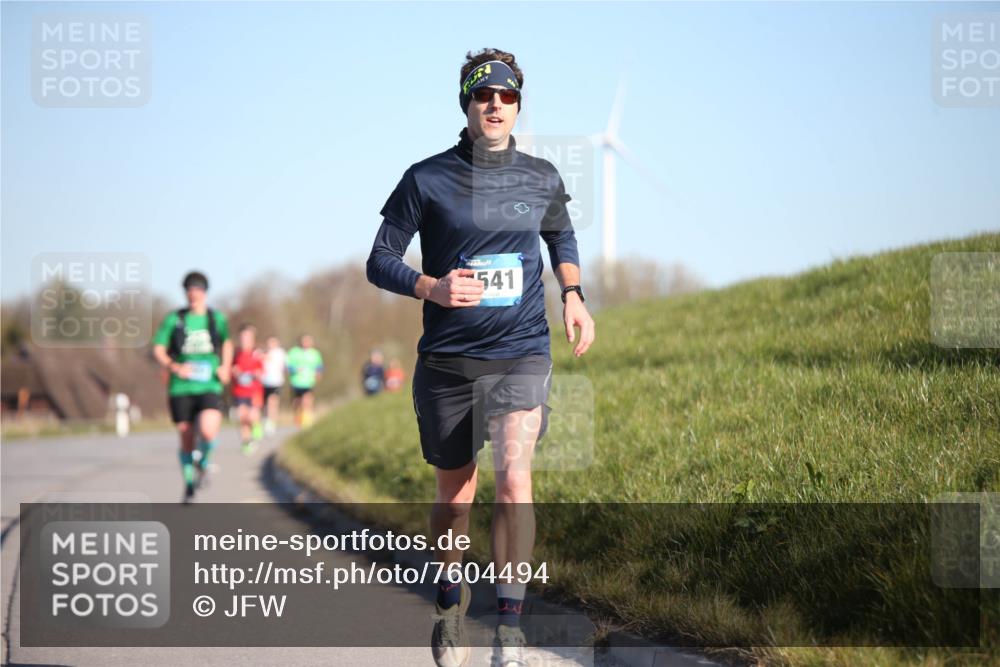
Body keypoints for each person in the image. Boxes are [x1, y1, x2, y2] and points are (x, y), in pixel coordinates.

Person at [366, 48, 595, 667]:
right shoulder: (426, 177)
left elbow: (561, 236)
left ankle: (511, 624)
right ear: (467, 104)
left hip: (521, 349)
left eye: (506, 96)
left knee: (515, 476)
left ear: (518, 105)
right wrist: (430, 286)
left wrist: (573, 295)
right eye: (482, 95)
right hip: (448, 356)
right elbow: (379, 259)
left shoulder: (541, 176)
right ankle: (448, 600)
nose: (495, 105)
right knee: (456, 494)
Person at [152, 271, 233, 503]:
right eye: (188, 290)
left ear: (205, 292)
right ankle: (189, 484)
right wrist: (173, 366)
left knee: (208, 431)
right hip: (181, 387)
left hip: (209, 383)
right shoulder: (174, 319)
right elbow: (158, 348)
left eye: (197, 289)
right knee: (186, 436)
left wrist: (225, 366)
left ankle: (204, 461)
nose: (192, 294)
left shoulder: (216, 318)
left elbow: (227, 342)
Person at [231, 324, 265, 455]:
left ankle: (256, 426)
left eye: (247, 337)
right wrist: (234, 371)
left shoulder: (257, 353)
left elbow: (262, 370)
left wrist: (257, 373)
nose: (244, 339)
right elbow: (230, 369)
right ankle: (246, 442)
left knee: (251, 416)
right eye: (242, 337)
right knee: (241, 417)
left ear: (253, 338)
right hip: (239, 390)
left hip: (254, 390)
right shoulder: (236, 353)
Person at [286, 334, 324, 428]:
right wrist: (295, 370)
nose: (306, 343)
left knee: (307, 400)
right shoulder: (294, 352)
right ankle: (298, 416)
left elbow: (319, 366)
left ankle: (307, 421)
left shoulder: (315, 353)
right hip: (296, 381)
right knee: (297, 402)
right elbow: (288, 366)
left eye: (309, 341)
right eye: (305, 340)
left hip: (308, 381)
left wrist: (318, 374)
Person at [261, 335, 286, 435]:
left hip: (276, 382)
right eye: (269, 342)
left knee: (273, 402)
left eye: (273, 342)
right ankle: (265, 419)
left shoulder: (280, 353)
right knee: (264, 404)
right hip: (263, 382)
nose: (271, 344)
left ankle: (272, 423)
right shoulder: (262, 353)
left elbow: (286, 366)